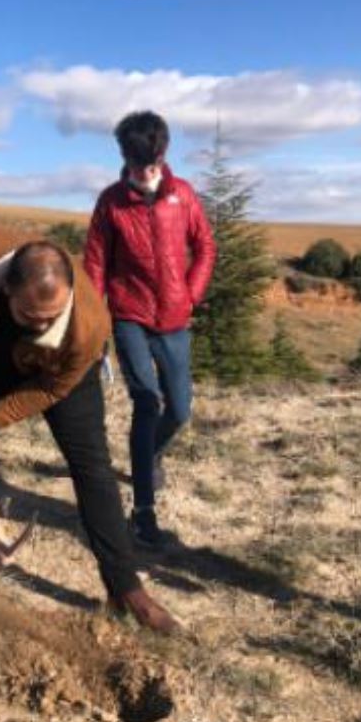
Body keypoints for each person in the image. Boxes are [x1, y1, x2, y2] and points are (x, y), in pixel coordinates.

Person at [0, 223, 182, 633]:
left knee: (93, 469)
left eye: (52, 317)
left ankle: (126, 588)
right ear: (8, 290)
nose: (41, 326)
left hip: (59, 373)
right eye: (31, 316)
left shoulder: (88, 325)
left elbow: (51, 388)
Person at [84, 111, 216, 550]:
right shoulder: (110, 203)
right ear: (124, 157)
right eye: (138, 163)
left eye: (154, 160)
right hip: (130, 317)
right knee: (147, 402)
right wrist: (96, 324)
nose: (147, 171)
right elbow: (97, 266)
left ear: (163, 152)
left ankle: (150, 454)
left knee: (178, 411)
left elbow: (205, 246)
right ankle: (143, 513)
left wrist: (192, 294)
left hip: (176, 319)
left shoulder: (183, 194)